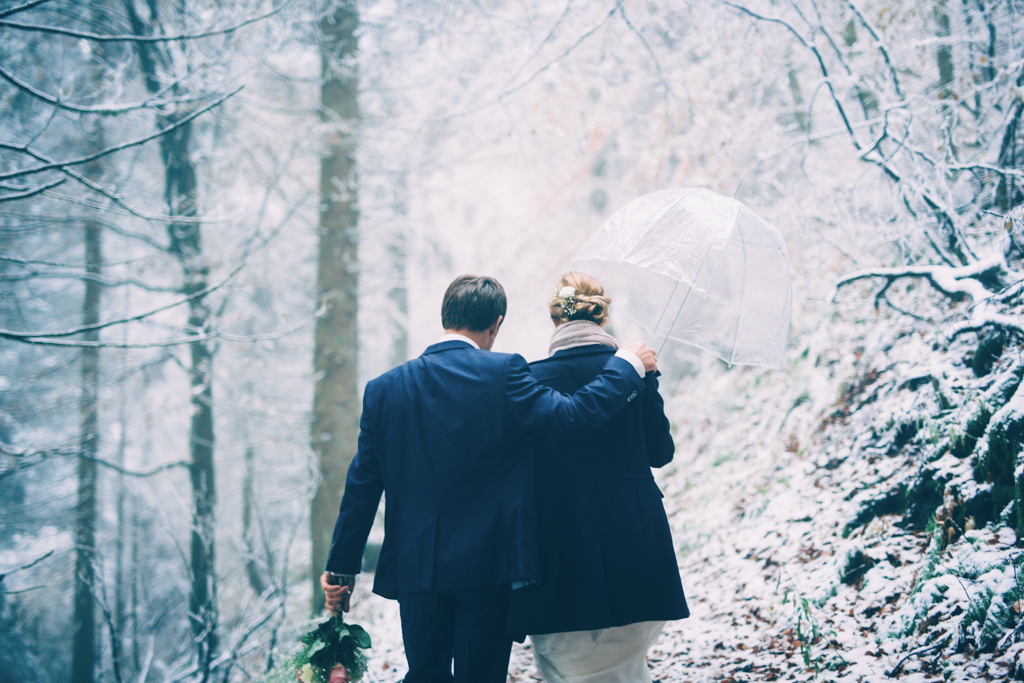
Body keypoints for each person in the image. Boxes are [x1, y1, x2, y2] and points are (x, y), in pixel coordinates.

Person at [320, 274, 659, 683]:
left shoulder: (385, 390)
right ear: (496, 324)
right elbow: (571, 417)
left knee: (425, 674)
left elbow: (361, 489)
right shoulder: (505, 373)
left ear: (445, 316)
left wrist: (340, 572)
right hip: (488, 568)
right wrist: (627, 367)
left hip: (416, 570)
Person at [506, 271, 689, 683]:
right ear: (601, 318)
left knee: (568, 663)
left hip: (558, 540)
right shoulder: (634, 371)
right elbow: (660, 453)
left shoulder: (529, 380)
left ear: (555, 321)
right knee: (625, 662)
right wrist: (649, 383)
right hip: (633, 535)